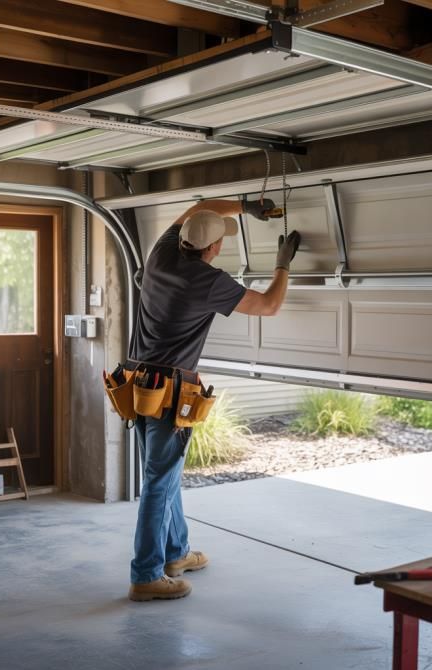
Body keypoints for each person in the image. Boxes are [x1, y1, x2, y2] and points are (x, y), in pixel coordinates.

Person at [127, 197, 301, 602]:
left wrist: (246, 206)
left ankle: (176, 554)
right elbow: (270, 305)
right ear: (215, 248)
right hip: (170, 392)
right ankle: (145, 574)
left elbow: (203, 207)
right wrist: (283, 263)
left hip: (139, 384)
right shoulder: (208, 281)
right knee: (159, 481)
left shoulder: (162, 253)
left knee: (163, 476)